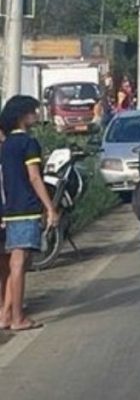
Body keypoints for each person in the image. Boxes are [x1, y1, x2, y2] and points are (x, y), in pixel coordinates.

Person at [0, 96, 58, 331]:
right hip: (26, 207)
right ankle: (17, 317)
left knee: (14, 261)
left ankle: (6, 315)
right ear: (22, 115)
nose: (36, 114)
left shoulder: (5, 146)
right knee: (19, 263)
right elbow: (34, 177)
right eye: (33, 111)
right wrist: (50, 207)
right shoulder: (28, 143)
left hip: (9, 208)